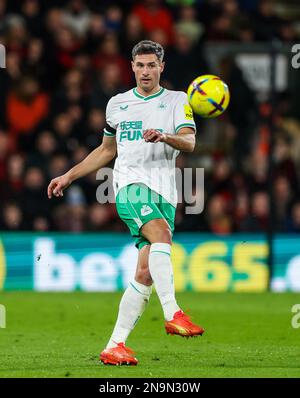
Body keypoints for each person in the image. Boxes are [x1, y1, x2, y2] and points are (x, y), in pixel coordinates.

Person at [47, 40, 205, 366]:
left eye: (151, 65)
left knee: (146, 272)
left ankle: (114, 345)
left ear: (162, 67)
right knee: (162, 236)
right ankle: (173, 312)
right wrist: (69, 175)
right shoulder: (117, 105)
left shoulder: (178, 101)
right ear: (131, 66)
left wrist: (164, 136)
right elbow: (106, 151)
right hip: (129, 187)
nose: (145, 71)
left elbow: (189, 141)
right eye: (140, 65)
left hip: (165, 193)